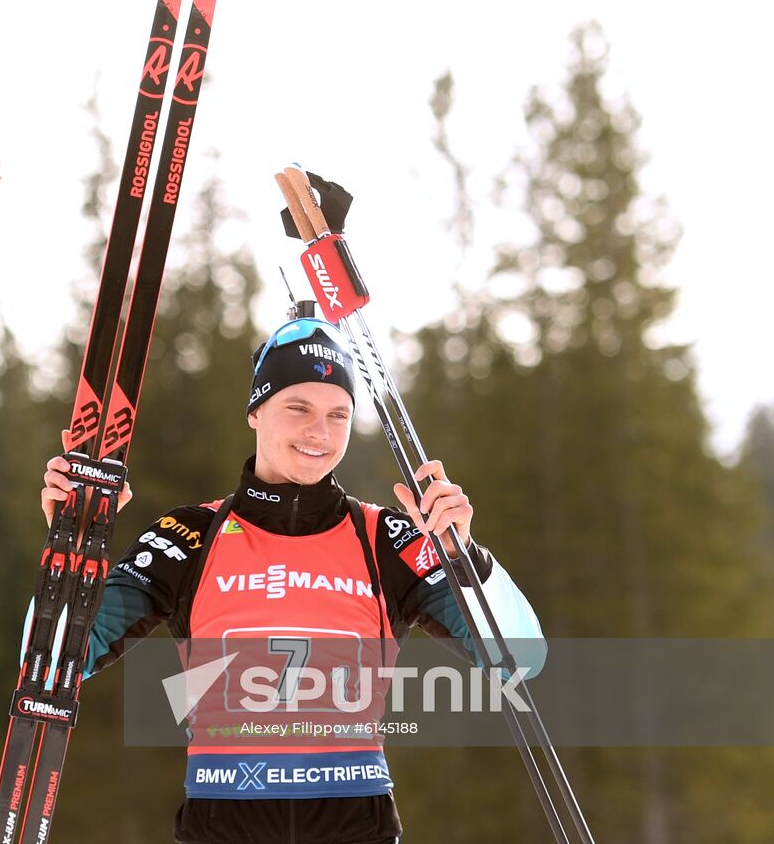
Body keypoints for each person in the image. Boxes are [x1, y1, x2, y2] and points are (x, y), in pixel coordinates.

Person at [40, 316, 546, 844]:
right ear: (256, 411)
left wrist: (467, 558)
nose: (319, 432)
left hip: (357, 828)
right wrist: (74, 550)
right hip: (224, 826)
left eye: (338, 414)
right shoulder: (191, 534)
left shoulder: (389, 538)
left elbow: (522, 660)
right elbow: (52, 660)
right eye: (298, 408)